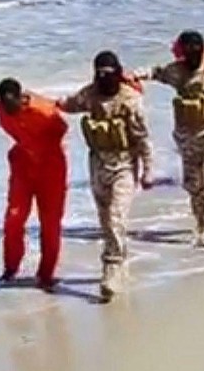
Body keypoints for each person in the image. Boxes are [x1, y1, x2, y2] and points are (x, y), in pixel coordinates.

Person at [58, 51, 155, 301]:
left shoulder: (130, 100)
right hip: (98, 164)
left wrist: (148, 170)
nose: (103, 80)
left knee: (115, 218)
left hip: (124, 165)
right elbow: (69, 104)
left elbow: (143, 138)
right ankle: (120, 259)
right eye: (99, 75)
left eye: (108, 75)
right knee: (106, 221)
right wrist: (43, 102)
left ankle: (110, 269)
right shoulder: (90, 94)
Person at [137, 31, 204, 247]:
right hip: (186, 136)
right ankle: (199, 218)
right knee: (192, 184)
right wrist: (135, 76)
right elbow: (156, 72)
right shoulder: (176, 72)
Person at [0, 78, 69, 290]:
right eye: (5, 105)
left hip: (51, 168)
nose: (10, 110)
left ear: (21, 98)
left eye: (13, 105)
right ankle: (10, 269)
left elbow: (62, 129)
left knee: (50, 223)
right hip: (23, 165)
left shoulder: (44, 112)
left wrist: (41, 148)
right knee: (14, 218)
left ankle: (46, 275)